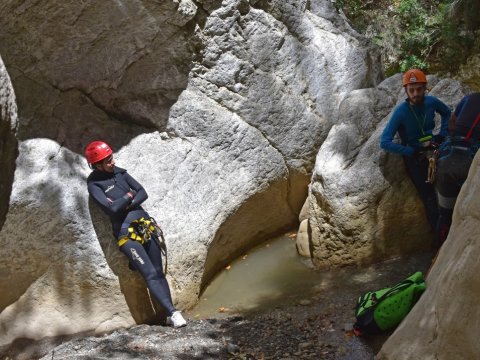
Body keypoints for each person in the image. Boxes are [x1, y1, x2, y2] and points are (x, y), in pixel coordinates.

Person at [85, 140, 187, 328]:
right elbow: (111, 211)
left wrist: (123, 202)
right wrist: (129, 195)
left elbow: (142, 192)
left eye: (111, 158)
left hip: (145, 225)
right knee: (149, 273)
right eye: (107, 161)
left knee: (158, 272)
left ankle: (168, 313)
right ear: (97, 165)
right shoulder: (94, 185)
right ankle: (173, 314)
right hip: (126, 235)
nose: (112, 162)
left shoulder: (120, 173)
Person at [380, 69, 451, 233]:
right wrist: (409, 151)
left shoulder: (432, 102)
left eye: (419, 89)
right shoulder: (401, 112)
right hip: (415, 157)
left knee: (446, 186)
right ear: (406, 90)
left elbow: (447, 113)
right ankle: (439, 237)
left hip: (433, 148)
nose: (416, 93)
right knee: (429, 197)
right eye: (411, 90)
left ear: (425, 88)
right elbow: (385, 142)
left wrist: (442, 134)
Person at [434, 93, 480, 246]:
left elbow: (451, 124)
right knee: (464, 216)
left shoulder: (469, 98)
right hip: (470, 165)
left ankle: (439, 253)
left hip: (447, 161)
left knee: (445, 215)